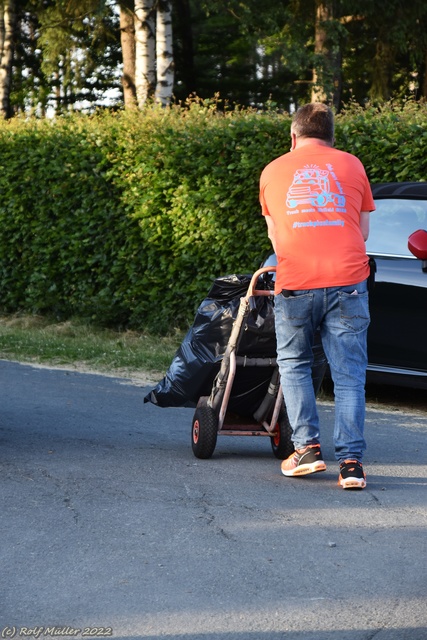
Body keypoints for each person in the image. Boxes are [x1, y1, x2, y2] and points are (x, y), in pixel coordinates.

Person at [259, 103, 375, 489]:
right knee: (349, 376)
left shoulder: (273, 171)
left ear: (293, 136)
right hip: (348, 280)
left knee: (294, 364)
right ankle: (352, 465)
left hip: (296, 281)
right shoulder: (352, 165)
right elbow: (363, 233)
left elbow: (276, 238)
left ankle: (307, 449)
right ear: (331, 136)